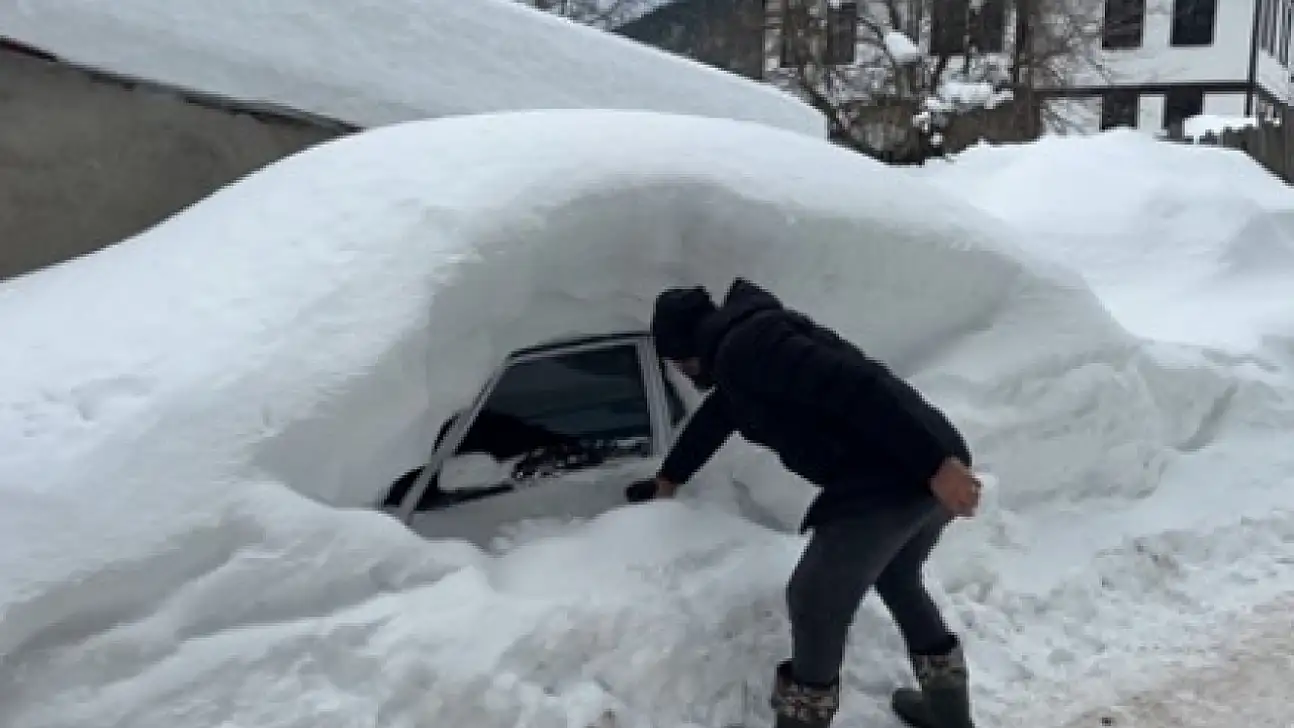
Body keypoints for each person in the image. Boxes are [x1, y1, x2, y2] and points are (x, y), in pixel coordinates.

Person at [635, 278, 983, 728]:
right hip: (918, 463)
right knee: (897, 576)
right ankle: (948, 714)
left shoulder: (752, 346)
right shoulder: (741, 354)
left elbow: (858, 386)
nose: (680, 373)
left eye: (676, 363)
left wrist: (935, 465)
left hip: (897, 474)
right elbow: (717, 418)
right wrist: (669, 477)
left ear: (686, 351)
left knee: (815, 600)